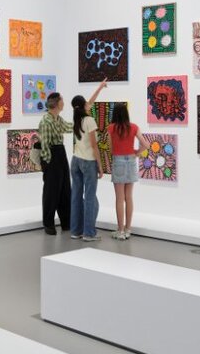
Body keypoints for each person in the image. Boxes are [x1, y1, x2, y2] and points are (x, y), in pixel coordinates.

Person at [38, 80, 107, 236]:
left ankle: (68, 224)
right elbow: (45, 146)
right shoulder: (47, 121)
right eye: (61, 100)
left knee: (65, 191)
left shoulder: (62, 119)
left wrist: (99, 88)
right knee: (51, 191)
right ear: (56, 104)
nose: (63, 102)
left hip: (64, 155)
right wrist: (48, 165)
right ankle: (49, 223)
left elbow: (74, 122)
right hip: (52, 158)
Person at [69, 80, 108, 241]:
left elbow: (90, 101)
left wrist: (100, 88)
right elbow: (94, 146)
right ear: (83, 105)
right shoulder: (89, 121)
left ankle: (76, 231)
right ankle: (89, 233)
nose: (88, 103)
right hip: (88, 162)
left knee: (76, 196)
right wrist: (100, 166)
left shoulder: (76, 119)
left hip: (75, 161)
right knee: (90, 197)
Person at [106, 103, 147, 240]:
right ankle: (128, 229)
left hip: (118, 162)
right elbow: (146, 144)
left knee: (119, 198)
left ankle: (120, 230)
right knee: (128, 197)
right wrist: (136, 152)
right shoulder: (134, 127)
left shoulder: (111, 128)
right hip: (131, 161)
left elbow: (111, 149)